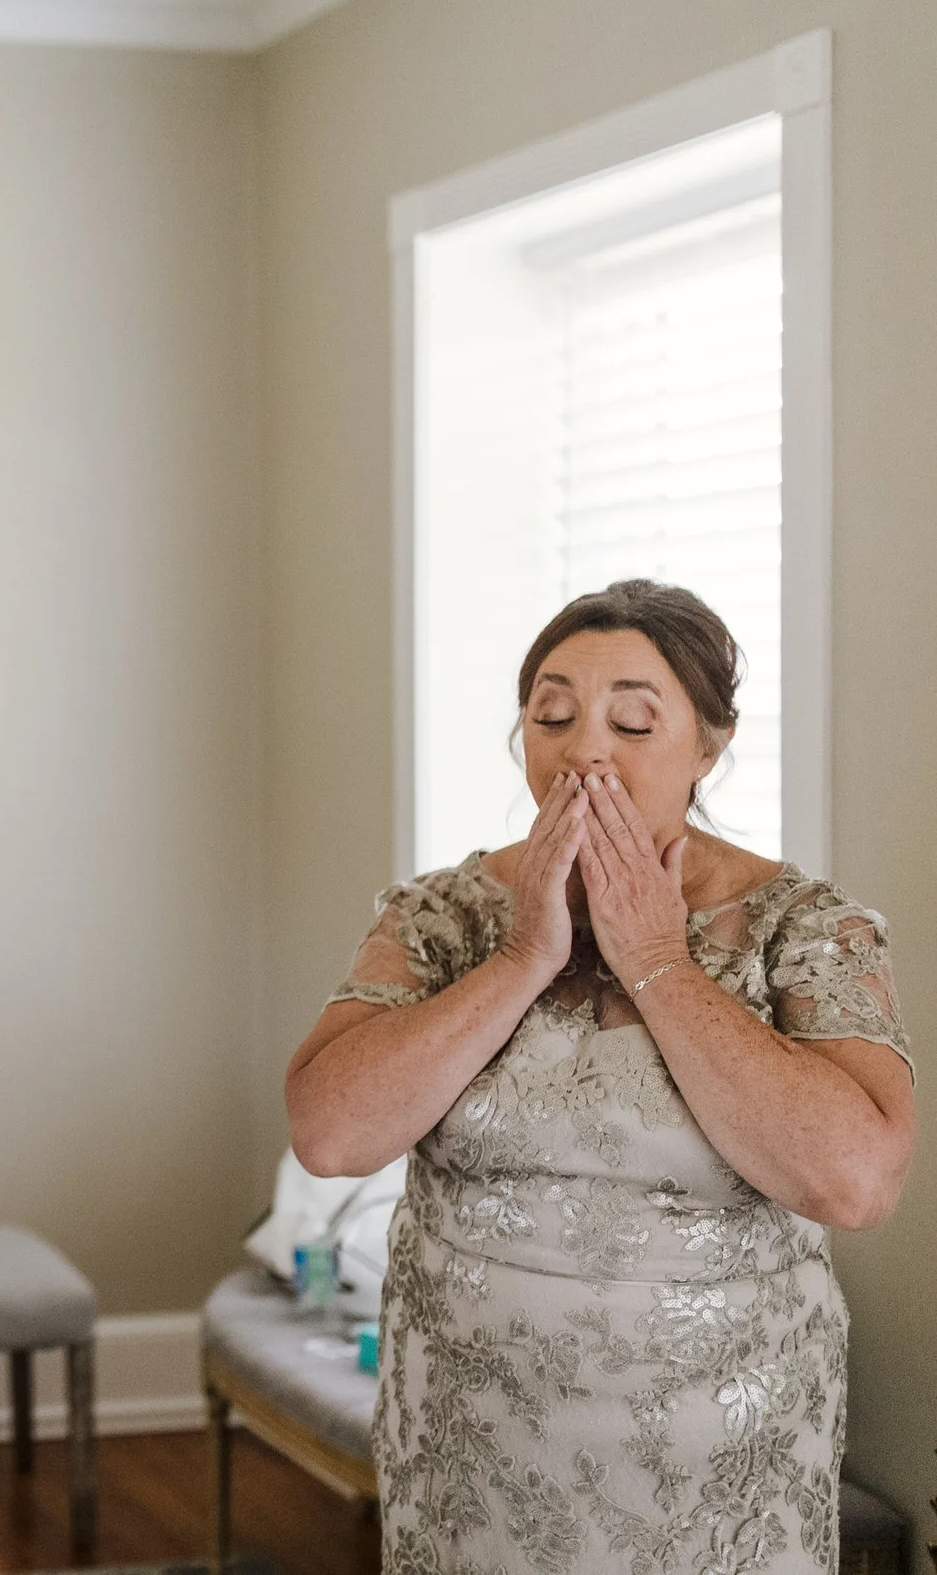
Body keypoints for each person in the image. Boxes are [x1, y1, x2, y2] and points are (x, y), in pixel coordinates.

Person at [286, 579, 914, 1575]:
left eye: (630, 718)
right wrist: (518, 959)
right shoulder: (443, 913)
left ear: (705, 747)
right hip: (471, 1446)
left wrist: (658, 961)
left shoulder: (805, 926)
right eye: (551, 715)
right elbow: (328, 1133)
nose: (583, 749)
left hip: (716, 1459)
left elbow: (854, 1180)